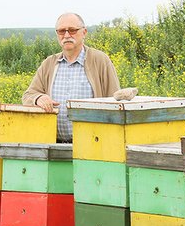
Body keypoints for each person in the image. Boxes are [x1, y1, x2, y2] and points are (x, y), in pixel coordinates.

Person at [22, 12, 120, 142]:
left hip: (93, 145)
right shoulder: (49, 63)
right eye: (62, 31)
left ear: (84, 32)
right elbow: (28, 95)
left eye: (72, 30)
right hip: (55, 144)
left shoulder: (100, 60)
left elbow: (115, 101)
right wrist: (38, 98)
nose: (67, 35)